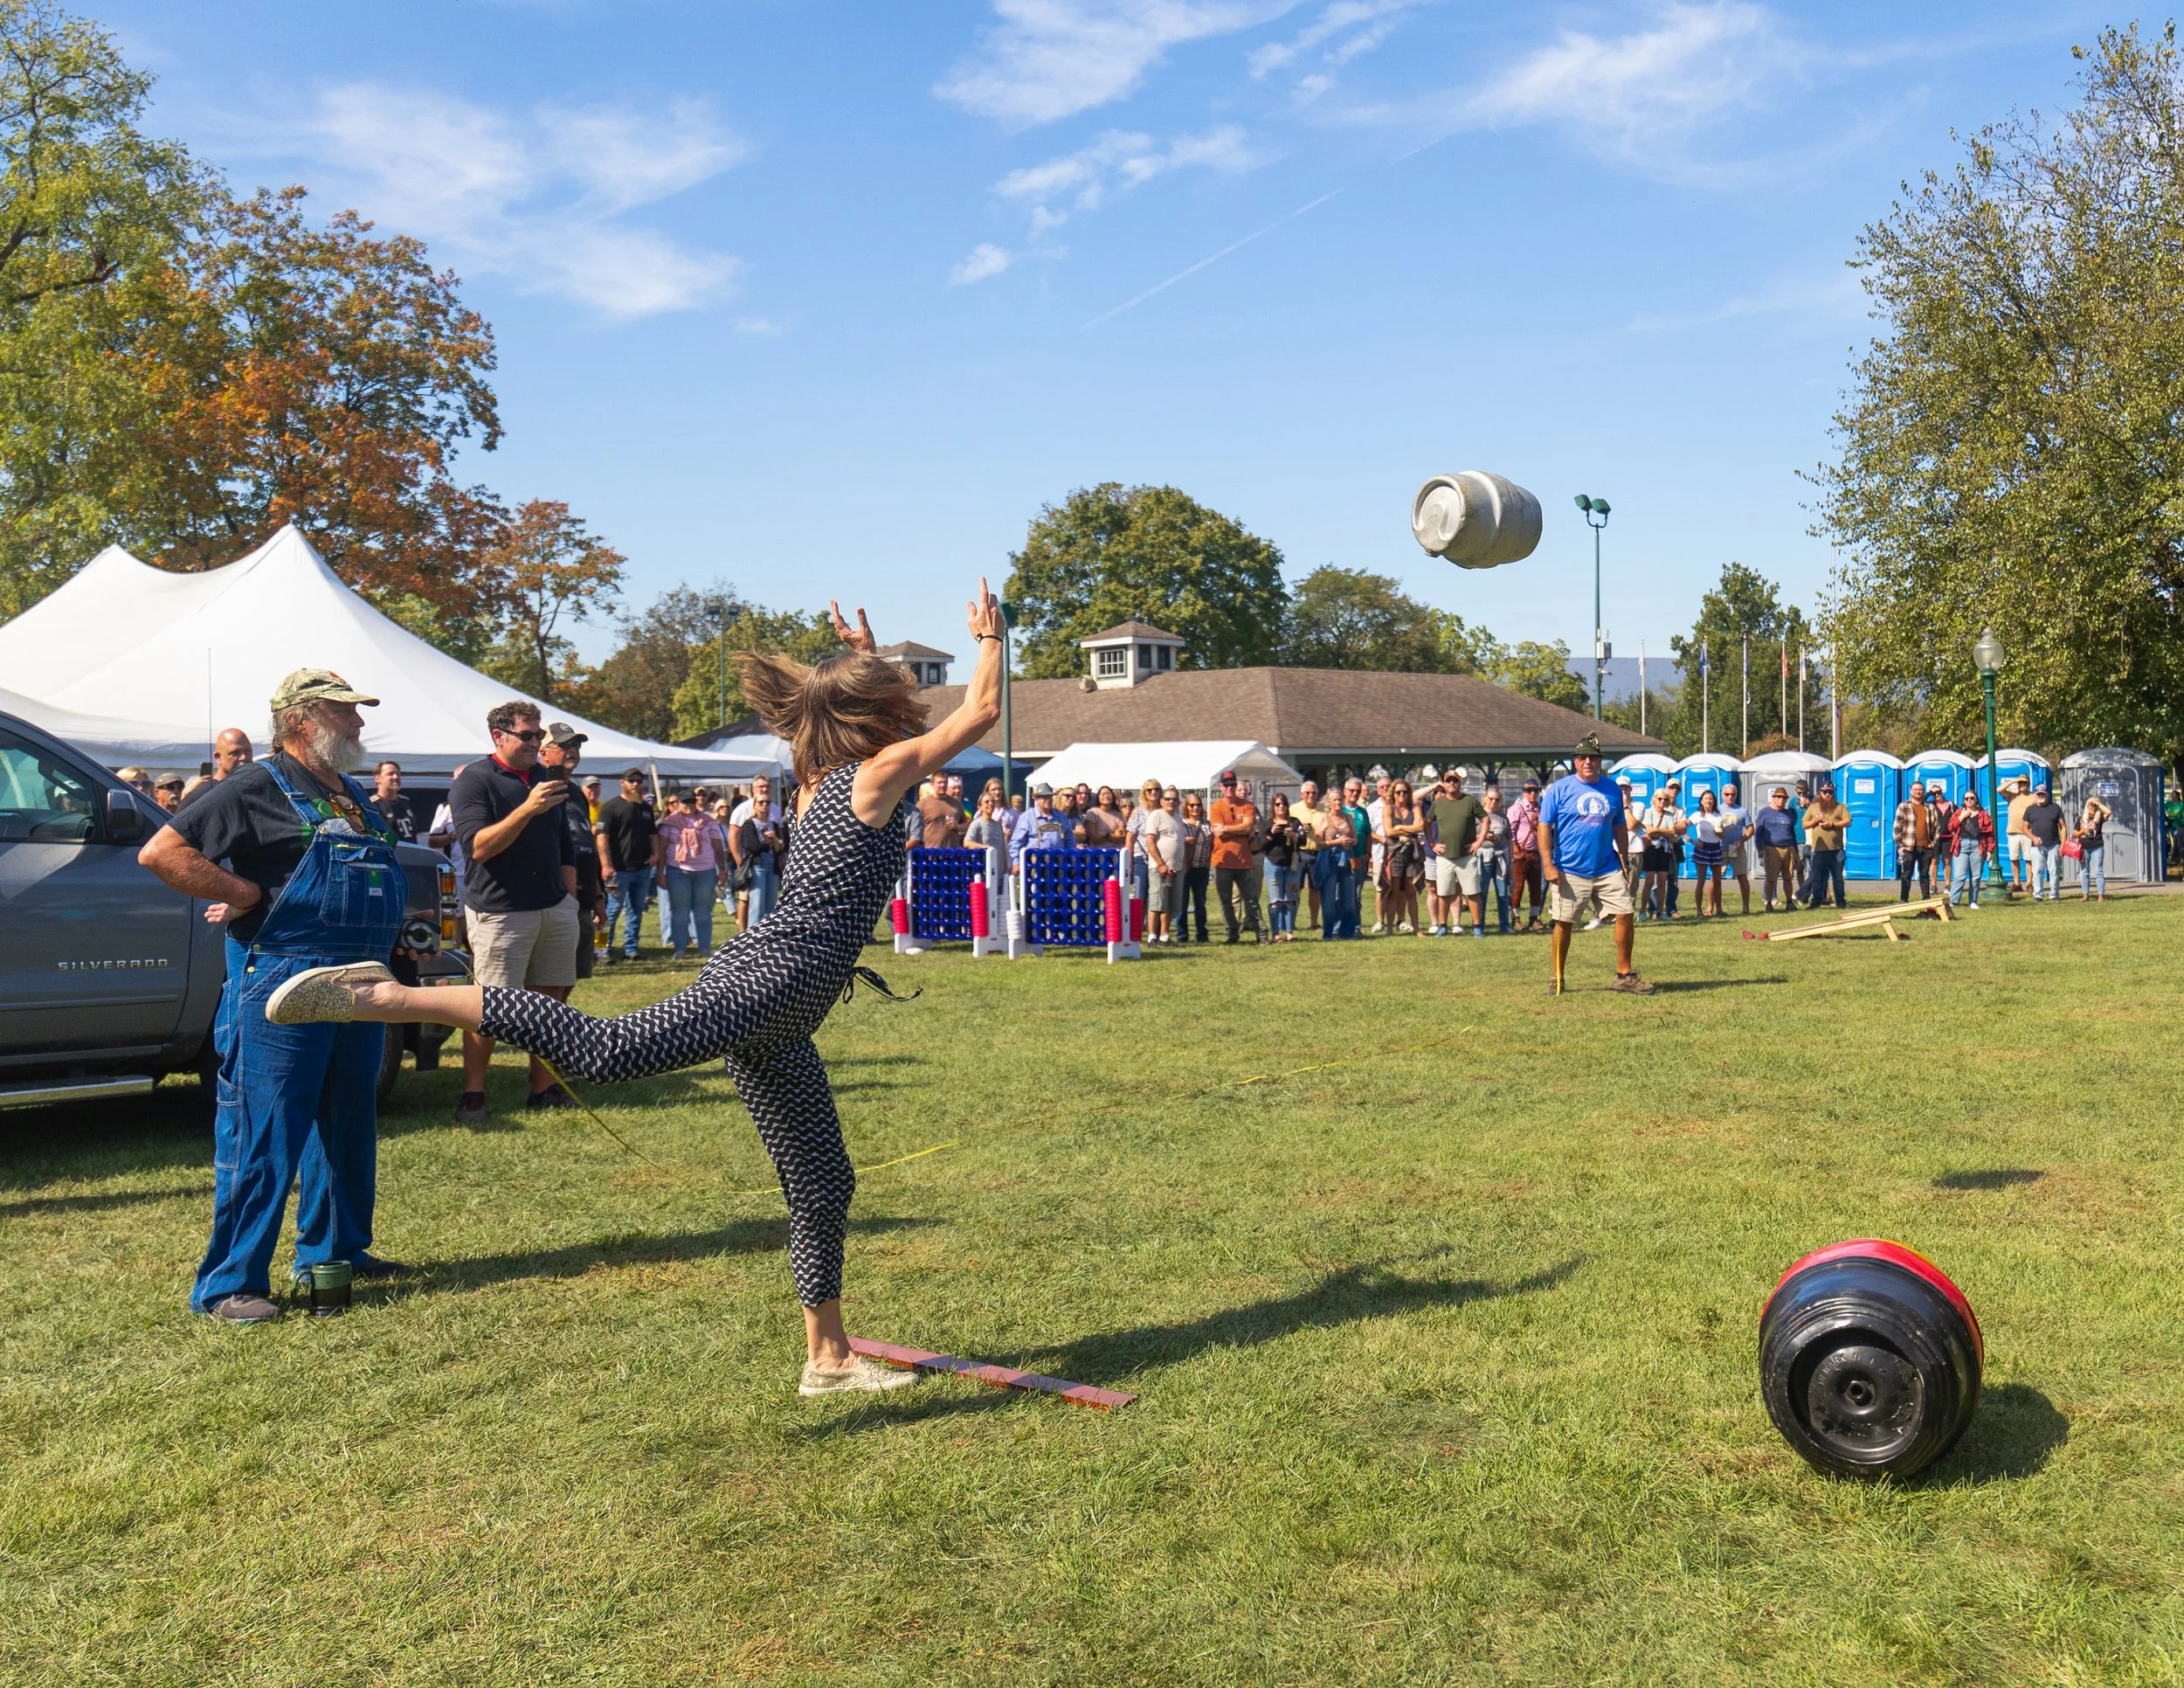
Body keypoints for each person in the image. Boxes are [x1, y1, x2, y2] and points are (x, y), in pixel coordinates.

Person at [265, 584, 1007, 1399]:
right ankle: (382, 999)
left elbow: (883, 724)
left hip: (789, 1006)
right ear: (870, 714)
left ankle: (827, 1358)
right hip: (778, 978)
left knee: (824, 1179)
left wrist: (864, 658)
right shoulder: (867, 778)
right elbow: (978, 714)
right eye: (887, 697)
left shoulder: (823, 775)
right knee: (608, 1050)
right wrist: (990, 638)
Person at [136, 668, 407, 1323]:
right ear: (299, 722)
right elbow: (162, 853)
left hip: (359, 980)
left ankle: (336, 1254)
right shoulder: (254, 785)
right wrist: (243, 893)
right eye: (344, 713)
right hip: (282, 978)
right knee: (266, 1127)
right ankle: (229, 1284)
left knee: (348, 1120)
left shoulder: (349, 792)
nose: (359, 723)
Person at [451, 701, 581, 1124]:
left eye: (538, 734)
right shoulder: (475, 779)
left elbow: (564, 845)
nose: (536, 742)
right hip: (500, 911)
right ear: (499, 736)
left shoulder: (547, 777)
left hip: (553, 907)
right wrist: (527, 807)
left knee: (551, 1003)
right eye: (527, 735)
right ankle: (474, 1093)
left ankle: (543, 1088)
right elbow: (478, 848)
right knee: (491, 1007)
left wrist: (569, 898)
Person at [1539, 734, 1652, 995]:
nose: (1587, 762)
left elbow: (1620, 826)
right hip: (1570, 868)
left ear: (1600, 761)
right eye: (1582, 758)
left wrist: (1624, 858)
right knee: (1564, 922)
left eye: (1593, 757)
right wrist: (1548, 864)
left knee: (1625, 913)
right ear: (1575, 762)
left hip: (1607, 867)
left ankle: (1624, 975)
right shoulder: (1559, 789)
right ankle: (1557, 977)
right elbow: (1544, 827)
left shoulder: (1612, 789)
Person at [537, 725, 603, 979]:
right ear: (544, 753)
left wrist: (598, 896)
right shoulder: (537, 789)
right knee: (549, 978)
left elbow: (588, 845)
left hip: (583, 897)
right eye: (564, 745)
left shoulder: (576, 792)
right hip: (552, 898)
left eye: (576, 745)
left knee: (572, 977)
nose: (572, 750)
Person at [596, 769, 664, 959]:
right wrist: (606, 865)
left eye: (639, 781)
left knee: (636, 910)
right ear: (622, 783)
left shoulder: (646, 809)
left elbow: (652, 834)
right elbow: (602, 838)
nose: (635, 784)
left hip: (642, 869)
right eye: (631, 780)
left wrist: (655, 855)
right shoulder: (611, 807)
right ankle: (601, 948)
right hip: (618, 870)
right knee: (611, 911)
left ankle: (631, 949)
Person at [660, 789, 728, 960]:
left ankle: (704, 948)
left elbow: (718, 847)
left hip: (706, 872)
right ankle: (680, 949)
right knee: (680, 912)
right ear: (678, 804)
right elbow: (661, 849)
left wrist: (722, 870)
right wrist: (660, 873)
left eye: (691, 802)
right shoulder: (669, 823)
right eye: (685, 802)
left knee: (703, 912)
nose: (689, 805)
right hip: (677, 871)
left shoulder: (709, 821)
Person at [1209, 771, 1262, 944]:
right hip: (1222, 861)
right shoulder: (1216, 807)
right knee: (1226, 902)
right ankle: (1232, 934)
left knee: (1252, 900)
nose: (1229, 788)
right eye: (1226, 785)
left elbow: (1248, 827)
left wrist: (1226, 829)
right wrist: (1239, 829)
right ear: (1220, 787)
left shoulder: (1248, 806)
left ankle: (1261, 934)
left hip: (1244, 862)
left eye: (1232, 784)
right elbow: (1218, 831)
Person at [729, 774, 788, 930]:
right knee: (753, 903)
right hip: (755, 864)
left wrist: (775, 841)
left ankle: (767, 935)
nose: (765, 804)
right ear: (753, 790)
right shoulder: (744, 812)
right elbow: (738, 839)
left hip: (772, 863)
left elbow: (781, 843)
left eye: (767, 786)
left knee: (771, 904)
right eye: (761, 787)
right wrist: (740, 862)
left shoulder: (775, 812)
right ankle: (749, 935)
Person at [1424, 770, 1479, 937]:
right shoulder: (1438, 804)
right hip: (1444, 857)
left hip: (1466, 856)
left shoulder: (1470, 801)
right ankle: (1442, 926)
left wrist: (1478, 841)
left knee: (1472, 892)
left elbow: (1486, 820)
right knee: (1443, 893)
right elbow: (1426, 823)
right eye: (1449, 781)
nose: (1452, 783)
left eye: (1455, 780)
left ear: (1460, 782)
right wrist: (1432, 843)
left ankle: (1477, 927)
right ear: (1444, 783)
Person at [1138, 784, 1184, 943]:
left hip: (1176, 867)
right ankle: (1152, 936)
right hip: (1159, 867)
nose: (1171, 801)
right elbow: (1150, 842)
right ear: (1162, 801)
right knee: (1157, 902)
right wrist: (1160, 863)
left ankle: (1165, 936)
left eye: (1174, 799)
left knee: (1170, 904)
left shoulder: (1178, 819)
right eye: (1168, 799)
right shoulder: (1156, 816)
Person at [1313, 799, 1361, 938]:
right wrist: (1335, 842)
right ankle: (1329, 933)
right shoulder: (1324, 818)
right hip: (1329, 858)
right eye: (1335, 799)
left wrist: (1349, 841)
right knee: (1329, 898)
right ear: (1329, 803)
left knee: (1349, 898)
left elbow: (1356, 839)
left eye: (1340, 799)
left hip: (1347, 857)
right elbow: (1318, 843)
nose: (1338, 802)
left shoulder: (1348, 818)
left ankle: (1348, 933)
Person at [1260, 792, 1303, 941]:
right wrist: (1271, 833)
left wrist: (1294, 835)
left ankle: (1289, 932)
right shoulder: (1267, 824)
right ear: (1273, 806)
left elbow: (1303, 840)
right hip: (1273, 865)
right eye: (1278, 804)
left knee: (1291, 899)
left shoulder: (1295, 822)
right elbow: (1261, 846)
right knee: (1275, 901)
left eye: (1284, 804)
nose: (1281, 807)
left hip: (1292, 865)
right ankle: (1276, 933)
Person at [1801, 782, 1851, 910]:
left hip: (1836, 850)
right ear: (1820, 793)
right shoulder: (1813, 807)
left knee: (1838, 878)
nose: (1828, 794)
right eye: (1825, 792)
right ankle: (1815, 902)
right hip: (1818, 850)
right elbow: (1804, 824)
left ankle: (1841, 902)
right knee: (1817, 878)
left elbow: (1848, 821)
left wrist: (1832, 825)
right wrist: (1815, 821)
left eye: (1830, 792)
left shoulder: (1840, 807)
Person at [1506, 777, 1545, 932]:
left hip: (1535, 852)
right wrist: (1515, 849)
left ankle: (1534, 918)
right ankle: (1515, 918)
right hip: (1521, 852)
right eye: (1529, 790)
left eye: (1535, 790)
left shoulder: (1540, 809)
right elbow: (1511, 831)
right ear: (1524, 792)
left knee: (1536, 888)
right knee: (1518, 887)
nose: (1532, 793)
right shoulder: (1517, 809)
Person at [1639, 785, 1684, 920]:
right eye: (1660, 799)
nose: (1662, 801)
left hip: (1665, 850)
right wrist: (1664, 832)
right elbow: (1649, 831)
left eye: (1665, 799)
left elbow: (1672, 831)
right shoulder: (1648, 812)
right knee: (1649, 881)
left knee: (1662, 881)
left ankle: (1659, 911)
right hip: (1652, 849)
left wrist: (1658, 831)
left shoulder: (1669, 814)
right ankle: (1642, 911)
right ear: (1654, 799)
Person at [1752, 786, 1799, 911]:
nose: (1781, 799)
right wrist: (1760, 848)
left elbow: (1792, 833)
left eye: (1784, 797)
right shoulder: (1764, 812)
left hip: (1788, 848)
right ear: (1773, 798)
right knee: (1771, 878)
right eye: (1779, 797)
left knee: (1788, 877)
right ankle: (1769, 903)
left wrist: (1795, 850)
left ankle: (1789, 902)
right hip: (1771, 848)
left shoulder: (1788, 813)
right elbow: (1758, 833)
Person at [1947, 789, 1994, 908]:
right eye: (1966, 798)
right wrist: (1961, 817)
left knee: (1976, 877)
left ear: (1976, 799)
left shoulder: (1983, 814)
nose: (1969, 800)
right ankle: (1953, 901)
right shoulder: (1959, 812)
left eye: (1972, 798)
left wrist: (1990, 851)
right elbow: (1950, 827)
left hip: (1978, 846)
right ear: (1963, 801)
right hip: (1961, 846)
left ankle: (1973, 901)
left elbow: (1990, 834)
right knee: (1959, 876)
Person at [1894, 780, 1939, 901]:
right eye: (1915, 789)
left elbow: (1937, 827)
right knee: (1906, 874)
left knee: (1924, 874)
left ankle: (1926, 899)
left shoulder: (1930, 807)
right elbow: (1897, 827)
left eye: (1920, 790)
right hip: (1908, 847)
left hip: (1926, 847)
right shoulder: (1904, 806)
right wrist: (1899, 846)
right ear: (1911, 791)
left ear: (1923, 791)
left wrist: (1933, 843)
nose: (1918, 792)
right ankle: (1904, 899)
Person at [1477, 784, 1513, 934]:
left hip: (1501, 858)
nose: (1493, 802)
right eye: (1491, 798)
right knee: (1482, 893)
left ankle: (1505, 925)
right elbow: (1469, 837)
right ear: (1485, 798)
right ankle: (1479, 925)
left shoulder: (1503, 818)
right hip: (1483, 857)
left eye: (1497, 799)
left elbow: (1509, 840)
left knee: (1503, 893)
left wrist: (1511, 861)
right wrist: (1484, 836)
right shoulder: (1477, 816)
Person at [2022, 782, 2065, 903]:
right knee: (2037, 871)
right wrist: (2033, 838)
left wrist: (2063, 844)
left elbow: (2063, 827)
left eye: (2043, 794)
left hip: (2053, 844)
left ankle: (2054, 895)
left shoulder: (2055, 808)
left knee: (2054, 871)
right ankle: (2038, 895)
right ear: (2035, 795)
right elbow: (2024, 828)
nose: (2041, 796)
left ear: (2047, 795)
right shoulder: (2030, 810)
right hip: (2037, 846)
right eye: (2039, 794)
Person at [1178, 791, 1213, 942]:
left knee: (1200, 903)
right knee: (1182, 903)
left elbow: (1211, 843)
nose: (1195, 808)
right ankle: (1182, 934)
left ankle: (1202, 934)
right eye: (1192, 805)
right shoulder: (1181, 824)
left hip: (1202, 867)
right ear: (1187, 806)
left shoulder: (1207, 824)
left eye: (1198, 805)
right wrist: (1184, 840)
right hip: (1185, 867)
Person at [1688, 789, 1728, 917]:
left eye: (1711, 799)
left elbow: (1723, 836)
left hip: (1716, 848)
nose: (1709, 801)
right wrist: (1692, 841)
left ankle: (1719, 909)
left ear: (1714, 801)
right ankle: (1699, 910)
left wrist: (1720, 833)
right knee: (1701, 881)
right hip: (1702, 847)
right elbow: (1683, 828)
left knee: (1717, 881)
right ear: (1701, 801)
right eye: (1706, 799)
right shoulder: (1697, 815)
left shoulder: (1718, 816)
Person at [1293, 779, 1325, 931]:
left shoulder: (1324, 809)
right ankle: (1291, 921)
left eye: (1313, 793)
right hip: (1299, 853)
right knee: (1295, 888)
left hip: (1317, 853)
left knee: (1315, 889)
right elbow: (1288, 828)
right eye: (1307, 793)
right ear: (1302, 794)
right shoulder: (1293, 809)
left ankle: (1314, 922)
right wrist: (1299, 829)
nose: (1310, 795)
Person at [1718, 781, 1752, 917]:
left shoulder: (1742, 811)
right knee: (1716, 878)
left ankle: (1746, 908)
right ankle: (1715, 908)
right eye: (1727, 794)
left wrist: (1742, 840)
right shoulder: (1717, 810)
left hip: (1736, 847)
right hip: (1720, 848)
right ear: (1722, 795)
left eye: (1732, 794)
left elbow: (1750, 828)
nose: (1730, 797)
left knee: (1742, 876)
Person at [2075, 790, 2111, 901]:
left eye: (2094, 806)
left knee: (2098, 871)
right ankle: (2085, 895)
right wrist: (2082, 831)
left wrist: (2098, 804)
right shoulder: (2081, 819)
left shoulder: (2099, 817)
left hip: (2097, 847)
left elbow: (2108, 812)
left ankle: (2101, 896)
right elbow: (2075, 834)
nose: (2092, 808)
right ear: (2087, 807)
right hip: (2084, 848)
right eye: (2090, 806)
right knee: (2085, 872)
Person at [915, 775, 967, 851]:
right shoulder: (923, 804)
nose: (942, 785)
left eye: (945, 782)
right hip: (930, 852)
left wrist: (957, 826)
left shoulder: (956, 803)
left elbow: (966, 825)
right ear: (932, 784)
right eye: (939, 782)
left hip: (952, 852)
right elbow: (915, 829)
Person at [2003, 777, 2036, 895]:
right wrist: (2014, 780)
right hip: (2013, 832)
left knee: (2029, 859)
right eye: (2020, 782)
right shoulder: (2012, 795)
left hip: (2028, 832)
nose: (2022, 784)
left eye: (2024, 782)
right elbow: (1999, 789)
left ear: (2029, 783)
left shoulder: (2033, 797)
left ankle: (2029, 883)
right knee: (2014, 858)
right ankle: (2016, 883)